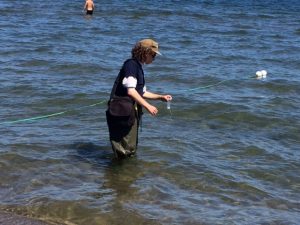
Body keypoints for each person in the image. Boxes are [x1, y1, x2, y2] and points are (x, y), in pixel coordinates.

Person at [106, 39, 172, 159]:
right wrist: (148, 106)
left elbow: (142, 92)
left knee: (129, 149)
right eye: (153, 55)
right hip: (121, 114)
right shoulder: (131, 65)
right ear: (145, 52)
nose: (154, 58)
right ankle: (120, 175)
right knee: (124, 151)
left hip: (128, 113)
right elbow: (131, 91)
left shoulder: (137, 67)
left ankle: (124, 175)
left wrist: (160, 97)